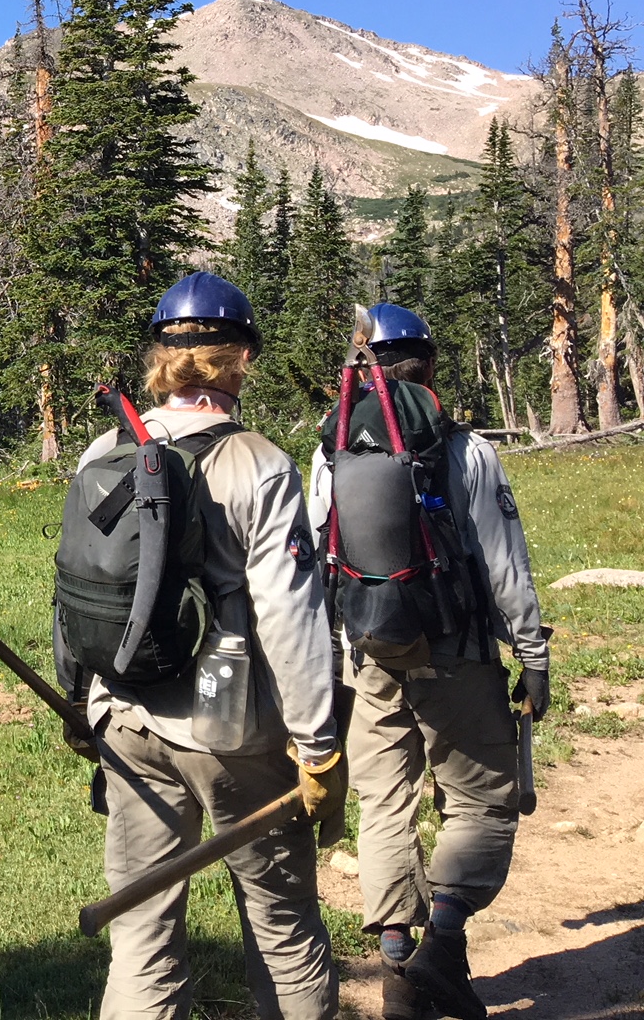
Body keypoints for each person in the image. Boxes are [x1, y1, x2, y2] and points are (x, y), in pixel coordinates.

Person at [79, 272, 344, 1020]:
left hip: (124, 717)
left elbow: (79, 588)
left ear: (161, 358)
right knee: (283, 928)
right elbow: (291, 617)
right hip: (230, 734)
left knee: (140, 930)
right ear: (240, 361)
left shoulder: (106, 449)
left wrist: (81, 700)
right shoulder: (258, 463)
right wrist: (317, 746)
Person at [309, 304, 547, 1020]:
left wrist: (328, 661)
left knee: (384, 802)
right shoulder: (463, 449)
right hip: (454, 647)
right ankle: (441, 948)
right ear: (428, 366)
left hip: (367, 650)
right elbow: (504, 562)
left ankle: (395, 970)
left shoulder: (332, 452)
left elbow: (320, 556)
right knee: (480, 799)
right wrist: (531, 653)